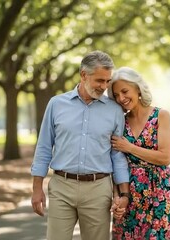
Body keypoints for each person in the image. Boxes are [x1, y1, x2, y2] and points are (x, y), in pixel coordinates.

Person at [30, 50, 130, 240]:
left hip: (98, 189)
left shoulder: (115, 110)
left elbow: (117, 155)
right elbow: (44, 147)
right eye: (100, 80)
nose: (104, 86)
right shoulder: (56, 104)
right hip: (61, 187)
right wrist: (37, 189)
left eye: (108, 81)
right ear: (84, 75)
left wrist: (123, 194)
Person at [107, 66, 170, 239]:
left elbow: (165, 157)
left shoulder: (160, 115)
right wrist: (117, 196)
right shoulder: (120, 122)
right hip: (129, 194)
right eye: (116, 95)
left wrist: (130, 148)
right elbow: (115, 161)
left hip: (160, 194)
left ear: (138, 88)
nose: (121, 98)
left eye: (125, 91)